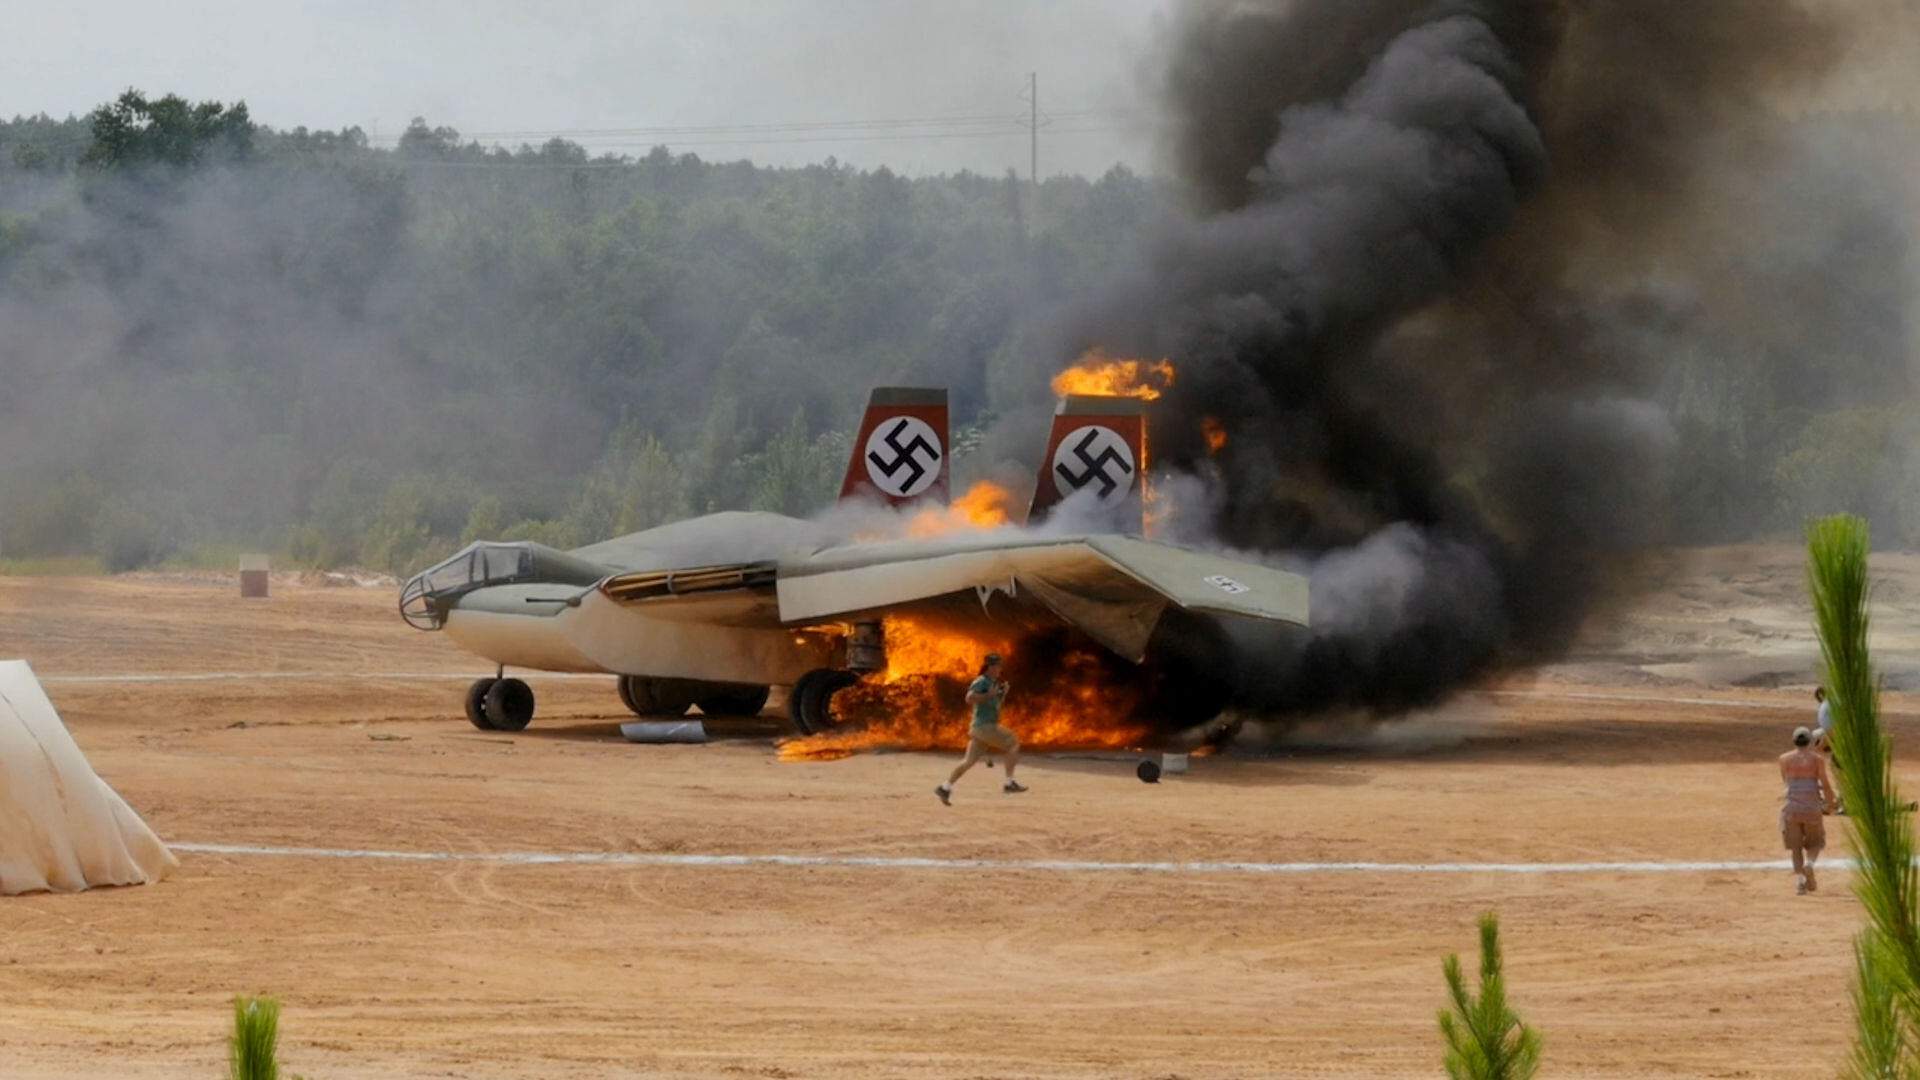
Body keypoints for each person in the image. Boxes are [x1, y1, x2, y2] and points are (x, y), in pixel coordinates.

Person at [935, 653, 1026, 804]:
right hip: (984, 726)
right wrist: (988, 695)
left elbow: (994, 704)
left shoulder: (994, 682)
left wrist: (1002, 694)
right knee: (1013, 742)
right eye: (997, 666)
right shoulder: (982, 681)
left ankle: (945, 787)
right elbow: (969, 698)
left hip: (980, 729)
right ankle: (1009, 783)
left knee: (968, 761)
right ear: (990, 666)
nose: (1000, 668)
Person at [1779, 726, 1838, 895]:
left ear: (1794, 741)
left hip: (1791, 807)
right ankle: (1810, 864)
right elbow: (1825, 784)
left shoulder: (1784, 759)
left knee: (1796, 848)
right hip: (1811, 807)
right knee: (1816, 843)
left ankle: (1800, 882)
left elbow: (1786, 781)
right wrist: (1831, 803)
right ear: (1810, 741)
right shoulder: (1817, 760)